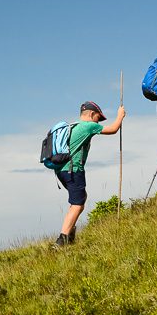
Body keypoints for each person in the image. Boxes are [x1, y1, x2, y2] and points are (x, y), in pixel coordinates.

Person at [52, 101, 126, 248]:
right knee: (78, 204)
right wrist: (120, 116)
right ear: (92, 114)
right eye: (98, 117)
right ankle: (62, 240)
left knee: (79, 199)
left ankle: (70, 231)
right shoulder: (88, 126)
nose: (98, 121)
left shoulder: (73, 127)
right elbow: (113, 129)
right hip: (74, 169)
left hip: (61, 170)